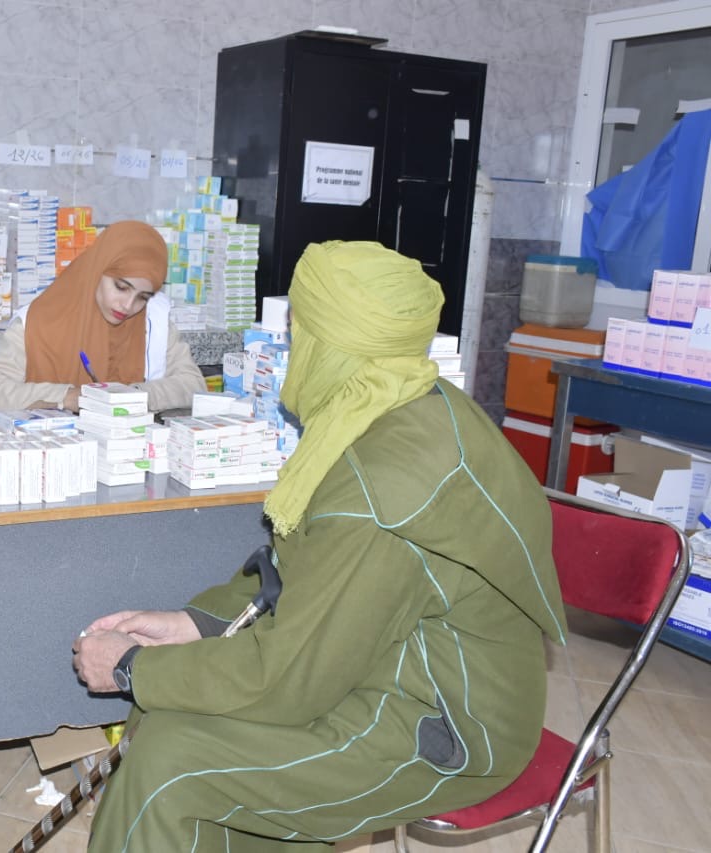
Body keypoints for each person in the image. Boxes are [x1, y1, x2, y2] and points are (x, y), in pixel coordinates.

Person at [71, 240, 567, 852]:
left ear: (333, 346)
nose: (289, 352)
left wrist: (131, 667)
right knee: (172, 709)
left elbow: (289, 679)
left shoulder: (381, 487)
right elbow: (302, 565)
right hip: (393, 665)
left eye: (298, 334)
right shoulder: (392, 402)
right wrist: (195, 622)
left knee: (172, 763)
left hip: (445, 725)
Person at [0, 220, 205, 414]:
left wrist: (135, 395)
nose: (128, 306)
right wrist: (69, 397)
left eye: (143, 297)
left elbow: (194, 385)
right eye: (121, 287)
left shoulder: (154, 321)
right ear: (97, 270)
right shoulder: (37, 322)